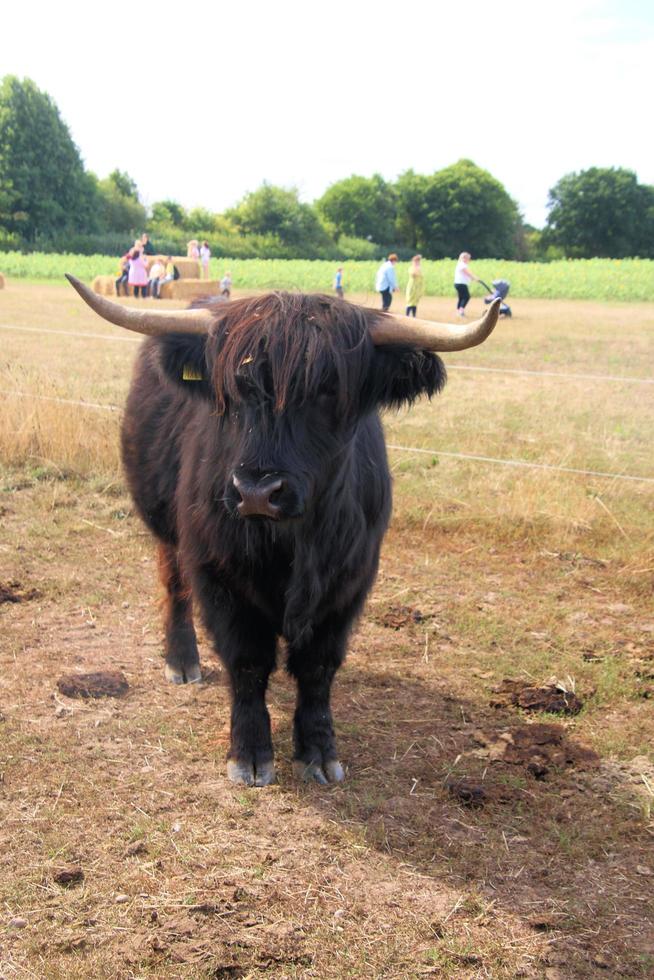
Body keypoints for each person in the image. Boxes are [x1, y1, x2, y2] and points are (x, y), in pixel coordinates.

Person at [454, 251, 478, 317]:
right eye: (468, 259)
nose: (469, 260)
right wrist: (475, 278)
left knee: (461, 297)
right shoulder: (462, 264)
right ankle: (461, 311)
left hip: (458, 283)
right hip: (461, 284)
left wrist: (472, 279)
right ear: (465, 258)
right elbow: (468, 273)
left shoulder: (460, 264)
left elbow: (466, 275)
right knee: (466, 297)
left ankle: (458, 311)